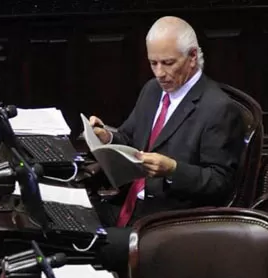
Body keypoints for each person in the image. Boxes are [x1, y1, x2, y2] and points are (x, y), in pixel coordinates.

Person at [87, 16, 246, 228]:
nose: (160, 73)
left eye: (168, 63)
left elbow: (220, 183)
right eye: (153, 63)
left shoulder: (219, 109)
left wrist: (173, 169)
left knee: (88, 245)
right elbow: (129, 137)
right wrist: (107, 136)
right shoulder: (152, 90)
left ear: (192, 57)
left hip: (167, 223)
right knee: (60, 220)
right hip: (127, 204)